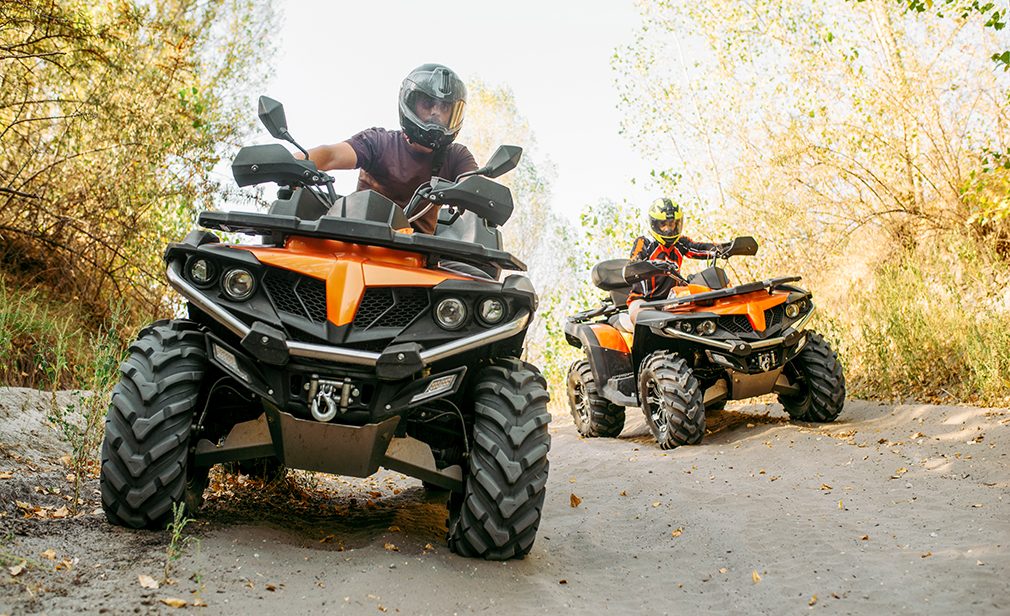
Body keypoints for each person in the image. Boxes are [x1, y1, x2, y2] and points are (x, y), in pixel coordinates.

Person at [300, 63, 478, 234]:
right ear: (410, 103)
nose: (436, 112)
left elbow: (474, 185)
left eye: (445, 107)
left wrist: (479, 194)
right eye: (427, 103)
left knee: (476, 265)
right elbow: (331, 155)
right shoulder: (378, 142)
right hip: (357, 239)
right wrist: (290, 161)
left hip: (420, 257)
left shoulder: (456, 156)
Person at [627, 198, 729, 305]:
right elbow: (634, 260)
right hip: (643, 300)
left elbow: (699, 248)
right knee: (643, 315)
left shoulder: (681, 243)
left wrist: (726, 248)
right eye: (663, 224)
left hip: (673, 299)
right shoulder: (644, 243)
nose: (668, 229)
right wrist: (637, 263)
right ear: (655, 225)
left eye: (671, 224)